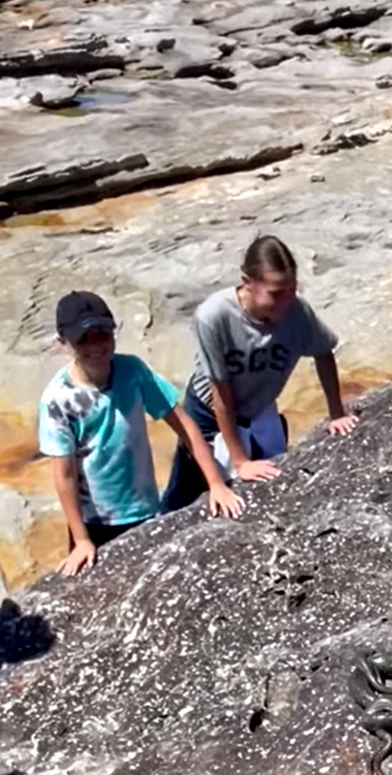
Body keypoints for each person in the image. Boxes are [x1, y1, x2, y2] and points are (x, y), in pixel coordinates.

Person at [38, 291, 244, 577]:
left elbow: (183, 424)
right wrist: (82, 539)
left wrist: (216, 483)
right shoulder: (57, 400)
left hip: (145, 510)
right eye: (83, 339)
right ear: (63, 343)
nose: (95, 345)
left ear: (114, 332)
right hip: (94, 523)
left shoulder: (132, 371)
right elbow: (64, 474)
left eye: (102, 334)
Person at [165, 235, 358, 511]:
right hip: (210, 413)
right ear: (247, 282)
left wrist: (336, 413)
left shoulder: (297, 311)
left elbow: (323, 352)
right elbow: (221, 396)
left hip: (259, 408)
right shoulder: (214, 317)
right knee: (188, 496)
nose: (286, 302)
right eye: (276, 293)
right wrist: (241, 461)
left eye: (292, 290)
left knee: (275, 483)